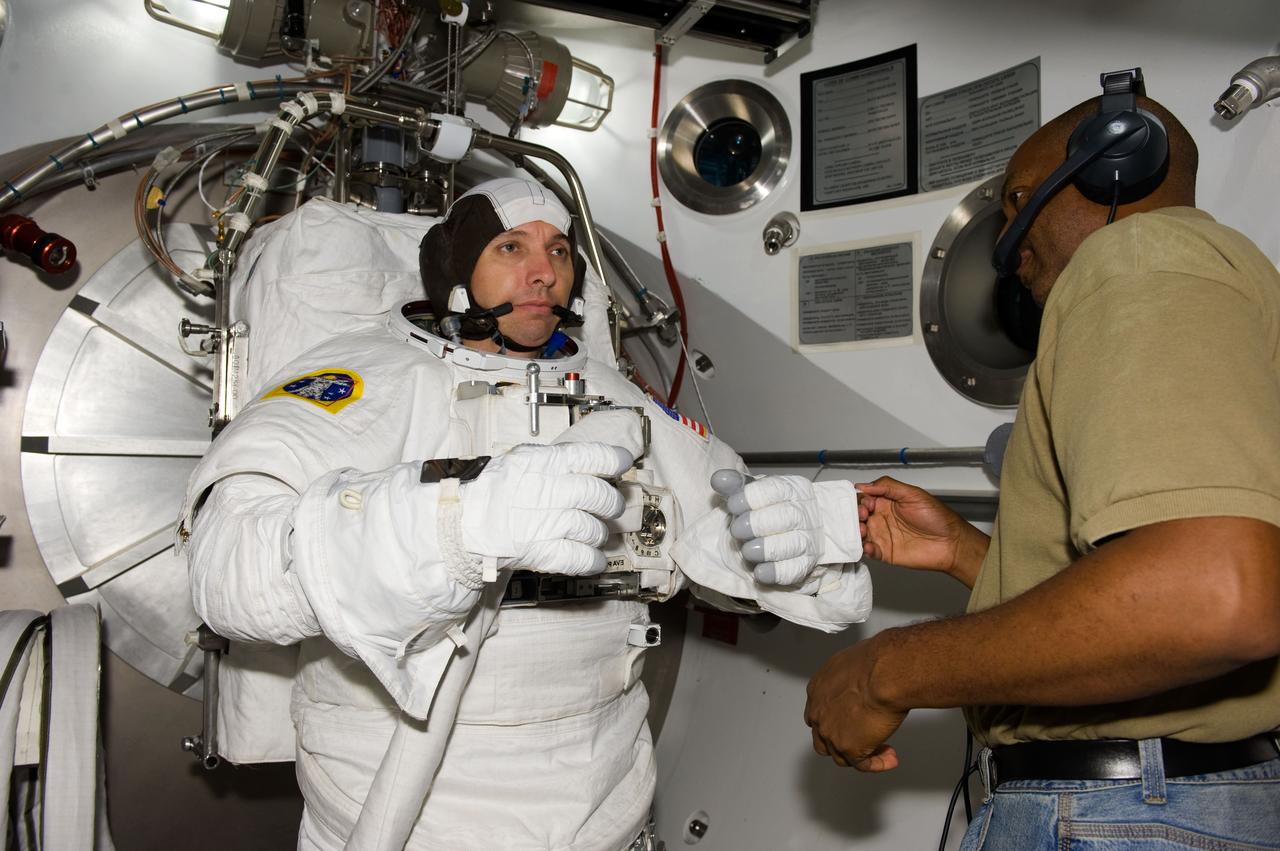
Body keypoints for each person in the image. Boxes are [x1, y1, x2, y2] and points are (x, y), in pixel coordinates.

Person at [179, 177, 871, 851]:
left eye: (561, 251)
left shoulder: (613, 397)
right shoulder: (364, 378)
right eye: (512, 248)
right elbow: (227, 569)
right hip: (409, 819)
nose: (545, 272)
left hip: (604, 811)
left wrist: (794, 554)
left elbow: (713, 528)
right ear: (456, 269)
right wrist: (450, 527)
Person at [803, 78, 1280, 848]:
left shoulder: (1133, 258)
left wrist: (881, 671)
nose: (1014, 256)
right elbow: (1177, 584)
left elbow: (1212, 594)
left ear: (1093, 173)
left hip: (1120, 815)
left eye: (1013, 212)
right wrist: (970, 555)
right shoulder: (1230, 279)